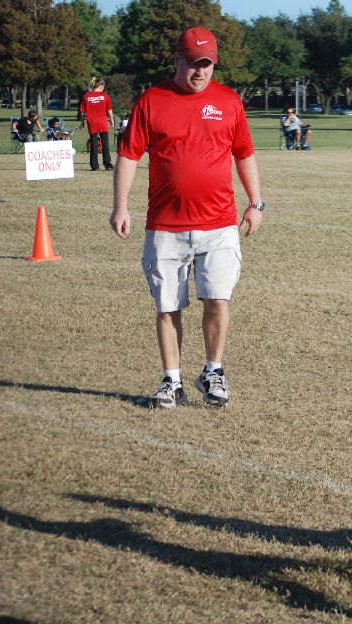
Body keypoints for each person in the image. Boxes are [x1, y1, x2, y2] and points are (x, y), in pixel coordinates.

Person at [110, 26, 264, 409]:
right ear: (177, 59)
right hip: (166, 226)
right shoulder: (151, 100)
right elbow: (129, 155)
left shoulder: (229, 101)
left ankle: (213, 371)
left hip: (219, 224)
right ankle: (172, 380)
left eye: (207, 64)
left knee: (218, 299)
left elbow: (244, 153)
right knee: (168, 306)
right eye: (194, 63)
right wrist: (120, 205)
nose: (201, 71)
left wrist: (256, 203)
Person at [79, 77, 117, 171]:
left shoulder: (86, 96)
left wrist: (82, 122)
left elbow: (82, 111)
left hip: (92, 122)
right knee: (105, 143)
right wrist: (111, 119)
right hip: (102, 122)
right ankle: (107, 164)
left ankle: (94, 166)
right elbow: (109, 109)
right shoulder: (104, 96)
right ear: (101, 86)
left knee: (94, 143)